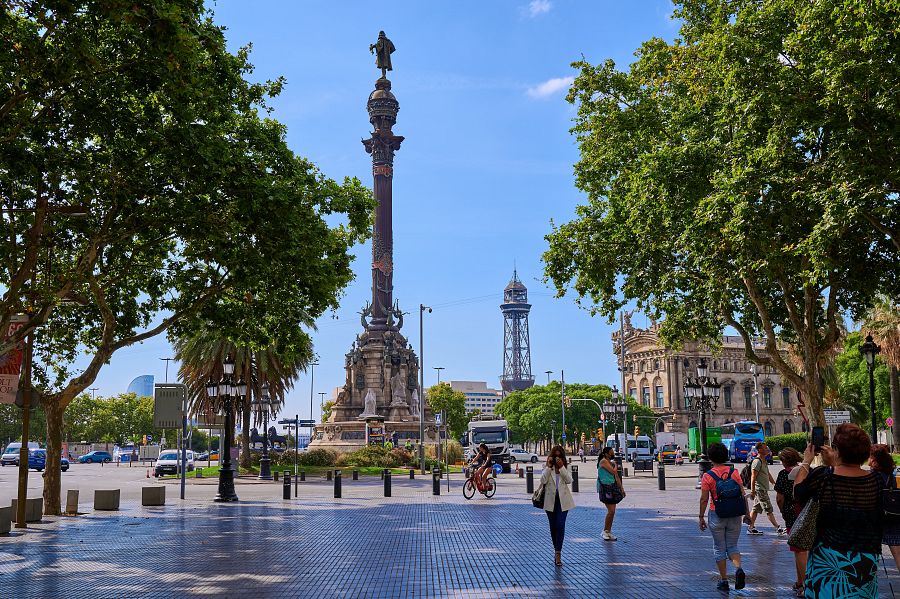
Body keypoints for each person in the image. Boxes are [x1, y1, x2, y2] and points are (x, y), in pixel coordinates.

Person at [793, 423, 883, 598]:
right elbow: (852, 494)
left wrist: (806, 461)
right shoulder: (876, 480)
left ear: (838, 450)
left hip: (829, 558)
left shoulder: (823, 476)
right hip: (866, 557)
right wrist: (834, 464)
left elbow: (798, 493)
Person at [699, 442, 748, 593]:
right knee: (733, 546)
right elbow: (742, 494)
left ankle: (724, 580)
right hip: (735, 514)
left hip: (717, 514)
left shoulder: (708, 476)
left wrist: (701, 517)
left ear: (710, 458)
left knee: (719, 547)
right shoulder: (734, 472)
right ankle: (738, 568)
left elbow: (704, 499)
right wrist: (746, 513)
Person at [774, 447, 806, 596]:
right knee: (800, 549)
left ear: (784, 461)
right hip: (807, 512)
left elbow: (779, 498)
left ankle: (804, 584)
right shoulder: (805, 471)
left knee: (798, 549)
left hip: (792, 513)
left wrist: (782, 511)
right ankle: (799, 581)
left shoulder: (783, 474)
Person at [540, 445, 574, 566]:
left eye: (560, 456)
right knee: (553, 526)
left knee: (560, 524)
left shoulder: (566, 466)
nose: (557, 458)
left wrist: (562, 467)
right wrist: (549, 467)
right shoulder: (546, 467)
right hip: (550, 500)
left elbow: (569, 480)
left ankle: (558, 552)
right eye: (555, 456)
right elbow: (543, 480)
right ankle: (556, 550)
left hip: (563, 501)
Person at [870, 443, 900, 570]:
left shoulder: (874, 476)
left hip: (878, 518)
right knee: (898, 554)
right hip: (893, 515)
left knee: (872, 553)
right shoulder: (891, 474)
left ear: (875, 459)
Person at [748, 442, 785, 535]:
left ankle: (750, 528)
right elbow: (753, 477)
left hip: (763, 489)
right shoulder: (757, 462)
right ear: (759, 450)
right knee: (768, 509)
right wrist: (752, 491)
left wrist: (774, 483)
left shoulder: (764, 460)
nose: (767, 450)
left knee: (755, 509)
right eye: (765, 448)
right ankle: (778, 527)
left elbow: (767, 474)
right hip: (760, 490)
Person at [597, 446, 625, 540]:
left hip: (612, 487)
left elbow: (616, 476)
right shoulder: (603, 461)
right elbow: (613, 472)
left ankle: (608, 531)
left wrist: (621, 488)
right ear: (606, 454)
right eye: (611, 452)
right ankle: (605, 531)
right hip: (605, 488)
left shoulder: (610, 462)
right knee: (611, 511)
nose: (613, 453)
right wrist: (616, 465)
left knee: (612, 512)